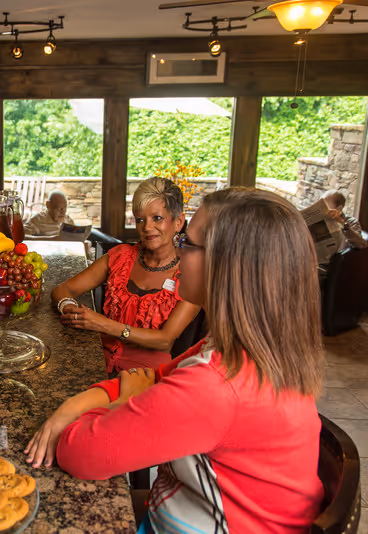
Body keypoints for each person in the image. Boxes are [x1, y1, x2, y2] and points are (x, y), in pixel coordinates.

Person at [26, 188, 325, 533]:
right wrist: (71, 406)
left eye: (189, 243)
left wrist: (124, 398)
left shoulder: (213, 387)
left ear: (225, 264)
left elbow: (76, 451)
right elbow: (154, 377)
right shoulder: (243, 350)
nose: (180, 251)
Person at [51, 177, 201, 374]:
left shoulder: (193, 276)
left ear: (178, 222)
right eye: (140, 219)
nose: (147, 227)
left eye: (157, 218)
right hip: (97, 364)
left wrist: (104, 324)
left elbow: (165, 340)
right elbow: (63, 290)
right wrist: (72, 311)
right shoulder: (120, 257)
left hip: (148, 379)